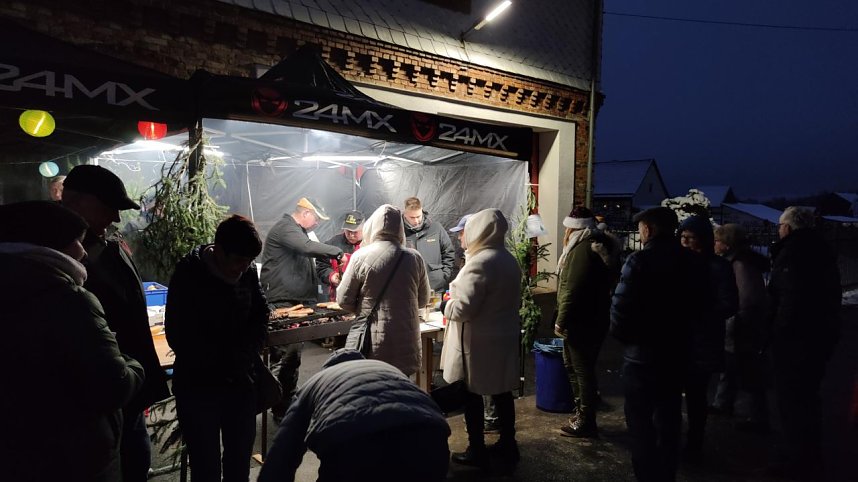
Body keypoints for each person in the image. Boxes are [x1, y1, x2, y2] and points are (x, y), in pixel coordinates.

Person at [0, 201, 145, 482]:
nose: (83, 253)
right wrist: (134, 362)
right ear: (50, 246)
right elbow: (115, 383)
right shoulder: (68, 299)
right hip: (75, 456)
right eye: (78, 242)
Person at [62, 164, 170, 482]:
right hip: (96, 400)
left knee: (135, 460)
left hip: (127, 390)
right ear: (78, 201)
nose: (117, 218)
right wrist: (130, 371)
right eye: (111, 208)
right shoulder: (64, 255)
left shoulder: (105, 242)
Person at [165, 215, 270, 482]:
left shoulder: (247, 271)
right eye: (237, 260)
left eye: (248, 262)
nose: (242, 267)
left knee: (238, 462)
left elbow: (260, 314)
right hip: (198, 385)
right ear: (219, 249)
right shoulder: (189, 273)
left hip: (240, 382)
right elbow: (178, 334)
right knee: (205, 466)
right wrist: (222, 360)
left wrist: (245, 354)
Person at [610, 207, 706, 482]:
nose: (639, 232)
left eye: (640, 227)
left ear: (649, 229)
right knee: (669, 418)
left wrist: (628, 339)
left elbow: (620, 309)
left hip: (642, 357)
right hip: (678, 353)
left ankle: (646, 475)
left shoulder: (639, 261)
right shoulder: (693, 261)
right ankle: (666, 475)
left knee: (640, 423)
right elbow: (702, 306)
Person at [258, 349, 451, 482]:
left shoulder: (317, 381)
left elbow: (284, 450)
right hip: (429, 434)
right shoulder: (384, 367)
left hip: (352, 443)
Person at [439, 208, 522, 473]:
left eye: (465, 232)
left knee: (473, 394)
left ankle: (477, 450)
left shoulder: (480, 262)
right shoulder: (507, 259)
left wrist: (445, 306)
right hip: (502, 338)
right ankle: (508, 444)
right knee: (501, 392)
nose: (461, 238)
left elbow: (463, 309)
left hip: (478, 344)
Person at [767, 206, 841, 478]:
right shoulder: (818, 249)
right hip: (818, 336)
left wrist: (778, 334)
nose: (778, 230)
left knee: (794, 401)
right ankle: (805, 453)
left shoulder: (794, 253)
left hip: (797, 341)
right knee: (806, 399)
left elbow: (790, 300)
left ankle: (800, 459)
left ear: (788, 227)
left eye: (779, 225)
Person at [260, 197, 343, 421]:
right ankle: (280, 406)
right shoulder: (286, 228)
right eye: (316, 218)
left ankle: (289, 400)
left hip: (296, 300)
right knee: (286, 355)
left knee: (293, 355)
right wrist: (337, 252)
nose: (317, 223)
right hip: (282, 301)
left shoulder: (300, 232)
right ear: (305, 213)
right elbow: (306, 249)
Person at [337, 204, 430, 376]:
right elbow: (423, 300)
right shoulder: (414, 258)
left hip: (374, 342)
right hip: (407, 342)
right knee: (402, 391)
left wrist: (363, 307)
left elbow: (344, 300)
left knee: (374, 391)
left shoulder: (360, 256)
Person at [554, 206, 621, 438]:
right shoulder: (596, 244)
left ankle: (585, 418)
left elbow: (573, 287)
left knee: (580, 368)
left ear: (573, 229)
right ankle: (581, 413)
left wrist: (560, 320)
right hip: (593, 317)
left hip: (581, 320)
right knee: (577, 366)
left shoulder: (582, 249)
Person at [677, 216, 737, 463]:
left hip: (702, 340)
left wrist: (701, 312)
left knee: (696, 395)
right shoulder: (678, 263)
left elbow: (729, 303)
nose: (686, 243)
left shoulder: (718, 267)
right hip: (677, 339)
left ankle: (694, 444)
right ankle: (671, 439)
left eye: (690, 238)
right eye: (682, 237)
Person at [710, 224, 771, 432]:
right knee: (731, 365)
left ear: (726, 244)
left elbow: (746, 298)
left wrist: (733, 318)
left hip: (743, 326)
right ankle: (723, 403)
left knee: (748, 370)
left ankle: (758, 417)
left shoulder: (739, 264)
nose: (714, 244)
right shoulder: (739, 261)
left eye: (717, 241)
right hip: (742, 324)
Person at [403, 196, 455, 292]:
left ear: (422, 211)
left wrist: (444, 276)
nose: (416, 221)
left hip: (436, 287)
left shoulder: (436, 228)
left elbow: (449, 253)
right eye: (412, 217)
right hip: (408, 289)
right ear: (405, 214)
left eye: (418, 216)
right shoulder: (399, 232)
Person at [316, 210, 364, 301]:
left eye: (355, 232)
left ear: (364, 228)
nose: (351, 235)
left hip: (363, 297)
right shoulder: (332, 244)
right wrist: (332, 276)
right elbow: (321, 266)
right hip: (337, 297)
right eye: (348, 231)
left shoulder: (370, 245)